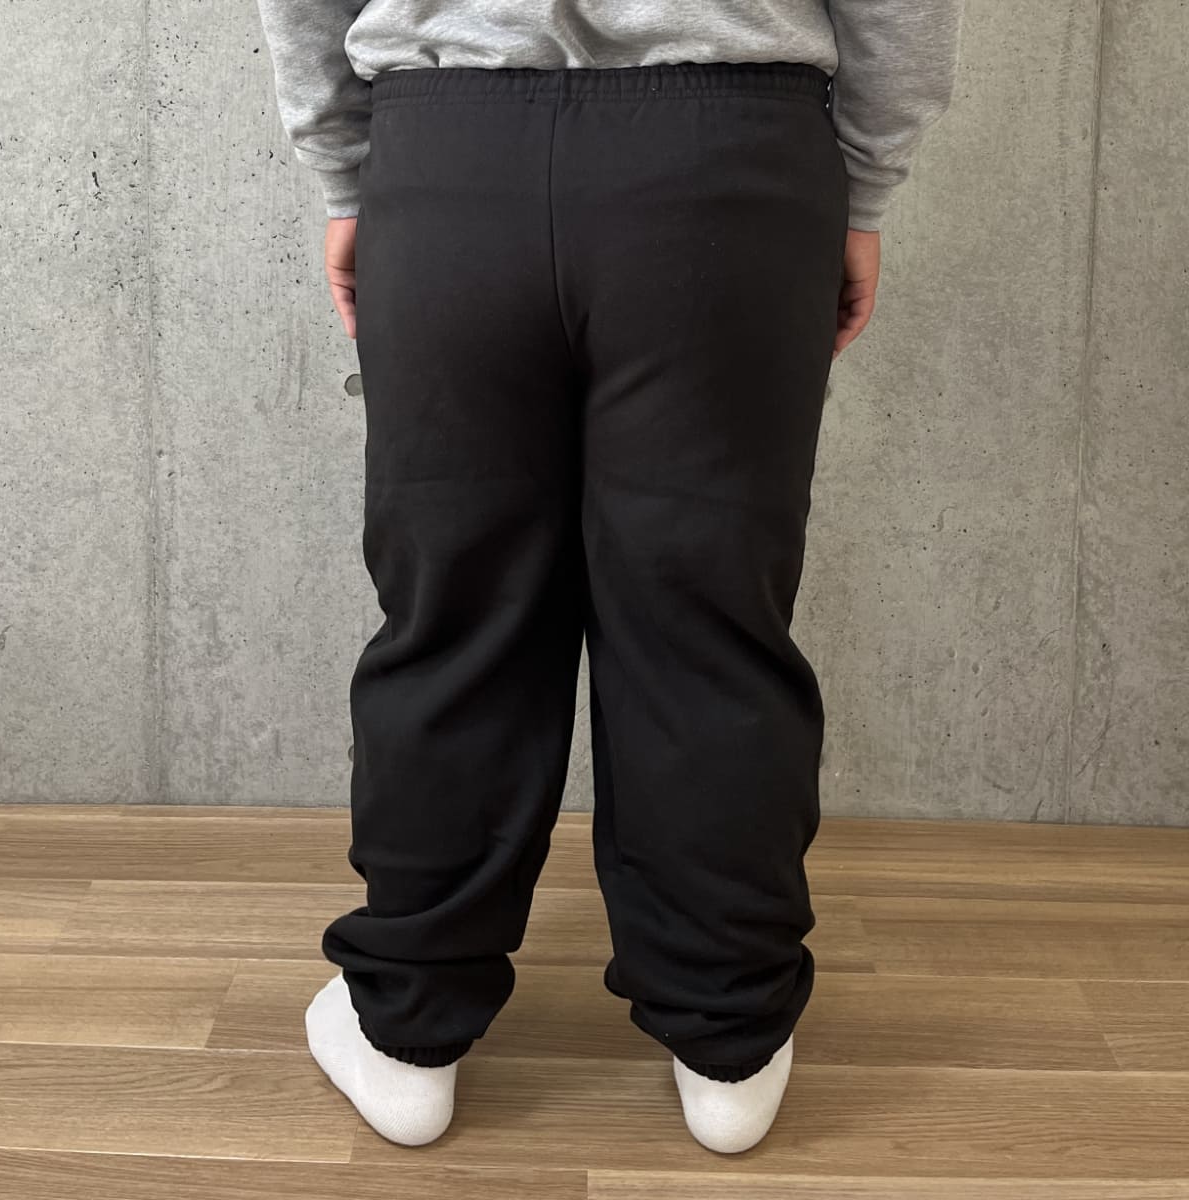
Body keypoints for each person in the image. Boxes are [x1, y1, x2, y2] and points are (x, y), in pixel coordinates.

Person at [254, 0, 963, 1154]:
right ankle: (728, 1040)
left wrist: (347, 173)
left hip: (449, 154)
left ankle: (407, 1028)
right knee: (708, 617)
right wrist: (864, 187)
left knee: (457, 612)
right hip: (732, 159)